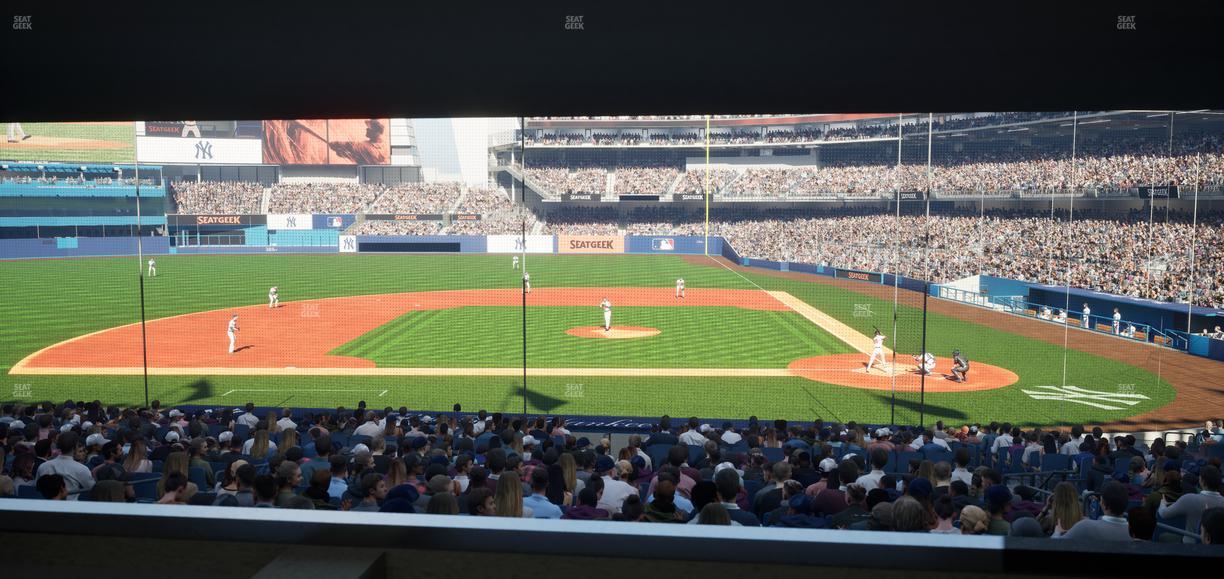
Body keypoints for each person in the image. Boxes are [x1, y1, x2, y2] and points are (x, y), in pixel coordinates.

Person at [1158, 465, 1224, 543]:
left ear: (1202, 481)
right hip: (1218, 546)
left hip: (1190, 543)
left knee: (1163, 536)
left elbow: (1164, 514)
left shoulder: (1189, 499)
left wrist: (1162, 503)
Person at [1053, 481, 1131, 541]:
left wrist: (1057, 532)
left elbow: (1056, 545)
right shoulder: (1136, 533)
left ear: (1102, 503)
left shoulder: (1085, 526)